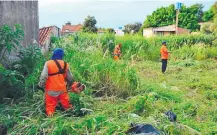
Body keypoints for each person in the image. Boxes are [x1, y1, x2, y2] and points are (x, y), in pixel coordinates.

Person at [38, 48, 74, 116]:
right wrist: (69, 85)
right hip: (63, 89)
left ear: (54, 54)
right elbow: (70, 77)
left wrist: (41, 85)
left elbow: (43, 76)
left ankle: (51, 120)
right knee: (67, 105)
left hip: (51, 90)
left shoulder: (48, 63)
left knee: (50, 107)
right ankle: (73, 116)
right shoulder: (65, 64)